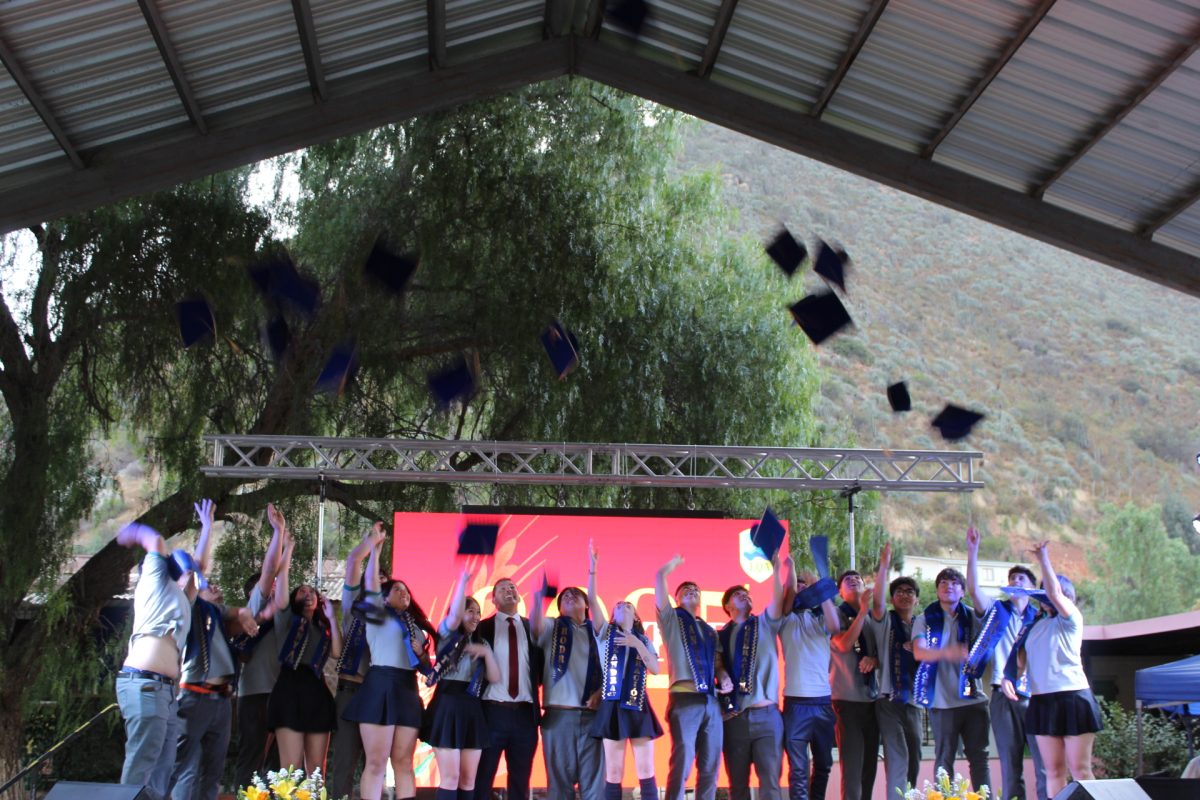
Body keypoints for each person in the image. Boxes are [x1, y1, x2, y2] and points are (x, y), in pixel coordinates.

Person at [171, 499, 258, 800]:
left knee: (213, 771)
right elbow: (198, 571)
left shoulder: (217, 615)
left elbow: (240, 611)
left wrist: (245, 614)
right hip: (195, 694)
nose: (215, 588)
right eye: (209, 586)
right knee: (184, 768)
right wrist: (207, 527)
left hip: (221, 700)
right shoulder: (191, 607)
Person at [1003, 541, 1102, 798]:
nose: (1049, 595)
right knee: (1053, 771)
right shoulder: (1033, 626)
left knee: (1080, 770)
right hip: (1042, 700)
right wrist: (1008, 678)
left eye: (1053, 591)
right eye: (1043, 591)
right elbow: (1019, 663)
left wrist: (1043, 558)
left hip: (1073, 697)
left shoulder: (1071, 619)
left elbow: (1056, 594)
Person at [343, 534, 436, 800]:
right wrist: (375, 550)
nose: (404, 593)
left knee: (404, 762)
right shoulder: (377, 614)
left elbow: (425, 667)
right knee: (376, 762)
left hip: (407, 689)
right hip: (380, 686)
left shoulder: (415, 627)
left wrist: (423, 656)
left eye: (406, 590)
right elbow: (372, 585)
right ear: (383, 598)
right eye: (397, 590)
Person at [115, 520, 202, 800]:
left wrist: (208, 527)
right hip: (145, 684)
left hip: (165, 692)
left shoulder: (181, 600)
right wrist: (132, 533)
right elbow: (156, 542)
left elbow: (199, 569)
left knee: (163, 766)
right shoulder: (153, 582)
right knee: (142, 761)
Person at [965, 528, 1047, 800]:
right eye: (1011, 578)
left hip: (1035, 696)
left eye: (1020, 578)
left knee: (1044, 763)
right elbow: (974, 590)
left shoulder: (1040, 618)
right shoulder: (998, 611)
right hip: (1002, 694)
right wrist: (973, 550)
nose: (1014, 581)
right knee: (1011, 765)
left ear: (1032, 587)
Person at [587, 540, 662, 800]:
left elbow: (655, 668)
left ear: (637, 616)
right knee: (614, 771)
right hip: (612, 704)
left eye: (628, 605)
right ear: (612, 615)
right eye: (618, 605)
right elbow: (592, 602)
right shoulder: (605, 634)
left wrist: (636, 644)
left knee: (646, 769)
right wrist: (593, 569)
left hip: (638, 703)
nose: (623, 606)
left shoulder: (644, 640)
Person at [655, 555, 733, 800]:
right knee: (682, 761)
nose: (691, 591)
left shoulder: (710, 631)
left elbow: (718, 664)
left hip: (711, 700)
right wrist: (670, 566)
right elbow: (659, 578)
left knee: (711, 765)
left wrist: (724, 677)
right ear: (676, 598)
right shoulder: (671, 619)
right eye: (685, 589)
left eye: (695, 589)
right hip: (684, 698)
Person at [266, 531, 343, 774]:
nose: (308, 595)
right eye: (302, 591)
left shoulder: (323, 628)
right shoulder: (286, 618)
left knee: (316, 772)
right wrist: (288, 549)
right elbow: (282, 580)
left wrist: (332, 619)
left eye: (312, 592)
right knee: (291, 768)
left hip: (316, 690)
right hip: (289, 688)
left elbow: (336, 653)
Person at [531, 548, 604, 800]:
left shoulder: (598, 631)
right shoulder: (552, 626)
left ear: (587, 604)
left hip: (592, 716)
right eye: (565, 596)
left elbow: (613, 669)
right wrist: (539, 599)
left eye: (576, 595)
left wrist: (592, 570)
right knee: (559, 786)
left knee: (594, 787)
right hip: (559, 715)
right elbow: (535, 626)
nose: (570, 597)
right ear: (559, 607)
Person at [423, 566, 500, 800]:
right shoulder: (447, 634)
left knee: (468, 779)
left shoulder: (482, 644)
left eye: (478, 612)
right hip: (447, 706)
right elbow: (455, 617)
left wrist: (487, 654)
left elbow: (494, 678)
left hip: (472, 708)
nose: (476, 616)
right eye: (470, 611)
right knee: (451, 777)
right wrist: (463, 582)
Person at [912, 567, 991, 793]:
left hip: (974, 699)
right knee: (944, 760)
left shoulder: (973, 617)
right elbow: (919, 652)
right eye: (943, 583)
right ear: (937, 590)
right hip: (942, 701)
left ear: (963, 591)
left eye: (955, 583)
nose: (949, 586)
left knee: (979, 757)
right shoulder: (925, 619)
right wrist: (949, 652)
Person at [717, 551, 788, 800]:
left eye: (747, 594)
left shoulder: (765, 623)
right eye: (738, 595)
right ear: (727, 607)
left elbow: (778, 599)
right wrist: (721, 674)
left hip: (766, 715)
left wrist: (776, 569)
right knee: (737, 786)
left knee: (770, 784)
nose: (745, 596)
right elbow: (716, 664)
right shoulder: (720, 635)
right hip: (734, 717)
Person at [233, 505, 288, 790]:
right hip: (255, 693)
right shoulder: (254, 609)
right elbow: (269, 571)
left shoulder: (284, 613)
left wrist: (288, 551)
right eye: (269, 586)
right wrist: (278, 533)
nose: (274, 586)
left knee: (278, 763)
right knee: (252, 756)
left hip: (280, 693)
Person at [473, 577, 543, 800]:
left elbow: (540, 671)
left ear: (519, 596)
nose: (508, 590)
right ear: (493, 600)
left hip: (525, 714)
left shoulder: (532, 628)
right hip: (491, 712)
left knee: (520, 781)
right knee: (482, 778)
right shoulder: (482, 628)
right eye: (502, 589)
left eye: (512, 587)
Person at [778, 558, 840, 800]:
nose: (802, 587)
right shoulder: (785, 618)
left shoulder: (821, 618)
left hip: (823, 702)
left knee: (824, 764)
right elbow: (789, 591)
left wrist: (820, 588)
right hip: (796, 704)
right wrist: (791, 570)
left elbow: (835, 626)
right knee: (798, 768)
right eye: (799, 584)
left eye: (807, 585)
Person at [328, 524, 381, 800]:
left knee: (375, 763)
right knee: (344, 762)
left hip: (376, 695)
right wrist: (371, 543)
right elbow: (353, 561)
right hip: (350, 692)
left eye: (382, 582)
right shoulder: (352, 606)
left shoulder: (389, 618)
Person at [867, 543, 922, 800]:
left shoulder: (923, 625)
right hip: (888, 701)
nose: (904, 595)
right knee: (897, 757)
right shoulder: (885, 621)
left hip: (915, 703)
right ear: (892, 598)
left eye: (910, 591)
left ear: (917, 599)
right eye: (899, 591)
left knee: (914, 759)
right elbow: (877, 602)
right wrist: (884, 565)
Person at [829, 570, 879, 800]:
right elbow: (844, 644)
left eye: (857, 578)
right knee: (852, 769)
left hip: (871, 700)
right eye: (846, 580)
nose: (853, 580)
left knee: (869, 768)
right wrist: (862, 611)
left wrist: (874, 660)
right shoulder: (836, 613)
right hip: (846, 701)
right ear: (840, 592)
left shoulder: (873, 617)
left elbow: (881, 654)